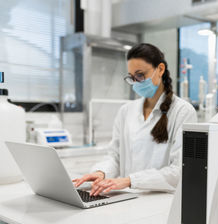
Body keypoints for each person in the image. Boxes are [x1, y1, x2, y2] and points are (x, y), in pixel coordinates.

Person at [73, 43, 197, 195]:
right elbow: (115, 157)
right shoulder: (126, 111)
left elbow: (179, 171)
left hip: (160, 201)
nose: (136, 82)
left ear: (160, 69)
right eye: (132, 77)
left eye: (140, 75)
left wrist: (130, 180)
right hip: (127, 197)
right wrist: (101, 172)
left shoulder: (182, 112)